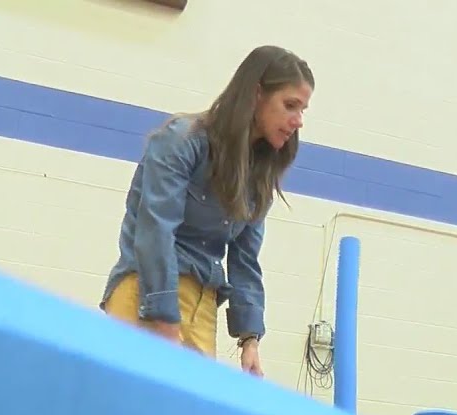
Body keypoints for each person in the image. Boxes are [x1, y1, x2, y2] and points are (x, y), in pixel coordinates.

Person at [100, 46, 315, 375]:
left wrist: (250, 338)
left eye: (303, 110)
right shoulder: (181, 140)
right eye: (290, 106)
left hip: (203, 305)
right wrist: (165, 318)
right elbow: (155, 230)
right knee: (131, 412)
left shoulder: (258, 174)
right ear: (256, 94)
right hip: (147, 292)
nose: (298, 121)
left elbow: (245, 258)